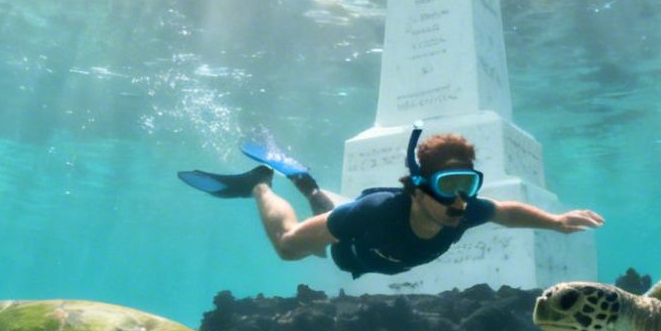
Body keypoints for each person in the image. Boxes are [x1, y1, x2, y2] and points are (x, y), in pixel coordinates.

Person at [180, 126, 603, 278]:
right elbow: (315, 232)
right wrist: (306, 241)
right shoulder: (377, 211)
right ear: (417, 188)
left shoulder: (463, 210)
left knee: (329, 227)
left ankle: (305, 181)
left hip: (365, 250)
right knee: (293, 247)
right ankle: (260, 183)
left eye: (468, 184)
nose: (459, 200)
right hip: (358, 241)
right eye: (447, 185)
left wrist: (556, 221)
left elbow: (506, 212)